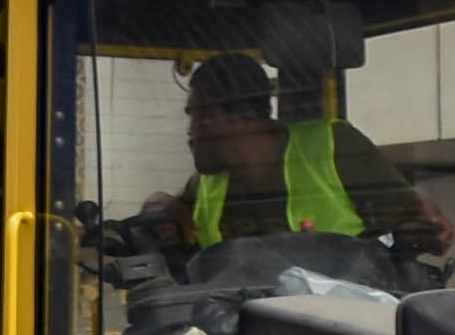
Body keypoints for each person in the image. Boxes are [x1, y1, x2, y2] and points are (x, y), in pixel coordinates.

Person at [146, 52, 436, 261]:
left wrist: (427, 223)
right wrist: (159, 206)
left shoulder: (334, 147)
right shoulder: (204, 187)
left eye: (194, 116)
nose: (190, 134)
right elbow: (162, 228)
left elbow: (418, 226)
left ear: (216, 115)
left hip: (342, 329)